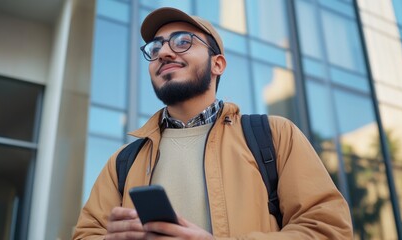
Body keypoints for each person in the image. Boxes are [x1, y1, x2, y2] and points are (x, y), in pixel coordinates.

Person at [73, 7, 353, 240]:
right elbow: (86, 234)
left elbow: (328, 229)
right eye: (156, 46)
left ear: (217, 64)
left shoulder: (275, 135)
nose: (164, 53)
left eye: (182, 41)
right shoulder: (123, 161)